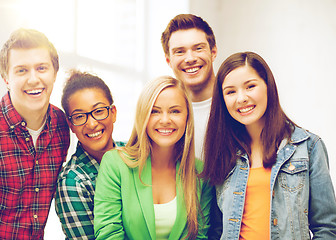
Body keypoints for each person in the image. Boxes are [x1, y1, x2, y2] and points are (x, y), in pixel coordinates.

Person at [201, 51, 336, 239]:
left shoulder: (308, 147)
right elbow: (215, 231)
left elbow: (327, 228)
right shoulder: (222, 151)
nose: (241, 98)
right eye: (231, 91)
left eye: (250, 86)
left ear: (268, 87)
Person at [0, 28, 70, 239]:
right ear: (6, 78)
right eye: (21, 70)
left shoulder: (61, 125)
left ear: (55, 73)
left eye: (41, 68)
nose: (34, 79)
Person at [93, 76, 214, 239]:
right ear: (143, 116)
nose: (165, 120)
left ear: (187, 117)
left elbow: (200, 236)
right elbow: (108, 234)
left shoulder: (200, 173)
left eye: (175, 111)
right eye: (154, 111)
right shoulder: (115, 164)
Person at [55, 70, 125, 239]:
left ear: (113, 112)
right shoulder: (72, 181)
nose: (92, 123)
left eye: (99, 111)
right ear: (71, 125)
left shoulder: (134, 153)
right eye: (79, 116)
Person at [161, 13, 217, 159]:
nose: (190, 58)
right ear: (169, 60)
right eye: (180, 52)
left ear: (213, 52)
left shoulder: (238, 104)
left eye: (198, 48)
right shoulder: (161, 115)